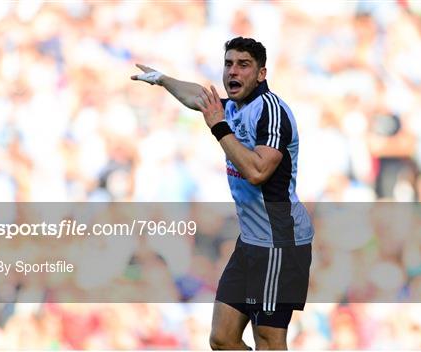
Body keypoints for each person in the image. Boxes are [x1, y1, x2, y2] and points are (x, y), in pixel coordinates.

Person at [131, 37, 313, 350]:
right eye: (229, 64)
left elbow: (257, 171)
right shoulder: (232, 107)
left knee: (269, 340)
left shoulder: (271, 113)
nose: (233, 71)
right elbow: (198, 97)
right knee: (223, 338)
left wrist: (219, 128)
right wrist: (161, 80)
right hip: (251, 240)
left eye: (244, 65)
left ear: (261, 73)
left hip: (279, 241)